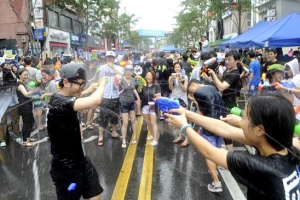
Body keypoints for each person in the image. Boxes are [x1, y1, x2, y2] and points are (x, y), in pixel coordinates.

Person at [165, 93, 300, 199]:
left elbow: (209, 152)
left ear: (259, 130)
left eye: (245, 117)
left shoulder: (261, 167)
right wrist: (185, 113)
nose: (240, 120)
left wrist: (184, 127)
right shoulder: (286, 146)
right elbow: (226, 130)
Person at [47, 63, 105, 200]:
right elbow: (95, 101)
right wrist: (102, 84)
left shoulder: (67, 97)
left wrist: (88, 89)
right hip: (65, 167)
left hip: (81, 159)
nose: (82, 88)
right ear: (66, 82)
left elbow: (75, 97)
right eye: (80, 84)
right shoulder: (57, 101)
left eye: (84, 84)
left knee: (95, 193)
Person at [187, 79, 226, 192]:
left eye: (191, 90)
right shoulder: (212, 87)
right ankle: (215, 168)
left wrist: (194, 99)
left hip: (209, 125)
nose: (191, 93)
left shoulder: (199, 93)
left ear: (194, 84)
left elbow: (201, 110)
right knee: (217, 149)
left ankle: (216, 182)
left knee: (208, 153)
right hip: (221, 123)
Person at [97, 51, 123, 147]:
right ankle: (100, 137)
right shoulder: (102, 68)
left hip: (115, 95)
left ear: (114, 59)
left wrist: (113, 68)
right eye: (108, 57)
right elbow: (97, 79)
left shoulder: (118, 67)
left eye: (112, 57)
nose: (110, 59)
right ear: (105, 58)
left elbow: (122, 76)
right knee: (103, 117)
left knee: (114, 116)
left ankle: (114, 132)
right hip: (105, 95)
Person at [119, 65, 140, 148]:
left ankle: (134, 136)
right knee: (125, 123)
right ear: (125, 72)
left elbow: (133, 89)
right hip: (123, 102)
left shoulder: (132, 79)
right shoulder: (120, 79)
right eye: (127, 71)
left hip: (131, 102)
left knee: (133, 120)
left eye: (131, 71)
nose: (129, 73)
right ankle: (123, 139)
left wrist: (137, 97)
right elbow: (115, 85)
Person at [16, 68, 38, 147]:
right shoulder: (20, 84)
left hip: (27, 104)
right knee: (26, 123)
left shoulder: (23, 83)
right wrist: (34, 90)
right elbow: (25, 94)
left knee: (31, 121)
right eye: (24, 75)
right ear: (19, 75)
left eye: (27, 74)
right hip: (24, 105)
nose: (26, 76)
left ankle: (27, 137)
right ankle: (25, 140)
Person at [168, 62, 189, 147]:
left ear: (181, 68)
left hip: (182, 100)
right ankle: (180, 136)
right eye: (175, 67)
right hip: (174, 100)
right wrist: (170, 80)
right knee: (176, 119)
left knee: (184, 120)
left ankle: (187, 139)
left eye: (178, 67)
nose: (177, 68)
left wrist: (180, 81)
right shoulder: (171, 77)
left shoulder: (185, 77)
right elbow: (170, 88)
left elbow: (185, 89)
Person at [141, 71, 161, 146]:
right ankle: (152, 134)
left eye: (150, 75)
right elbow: (140, 94)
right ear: (145, 77)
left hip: (152, 105)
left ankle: (155, 139)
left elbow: (159, 95)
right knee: (148, 122)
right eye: (147, 75)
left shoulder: (156, 85)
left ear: (153, 77)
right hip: (144, 105)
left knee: (153, 123)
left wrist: (157, 96)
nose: (149, 77)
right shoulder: (143, 85)